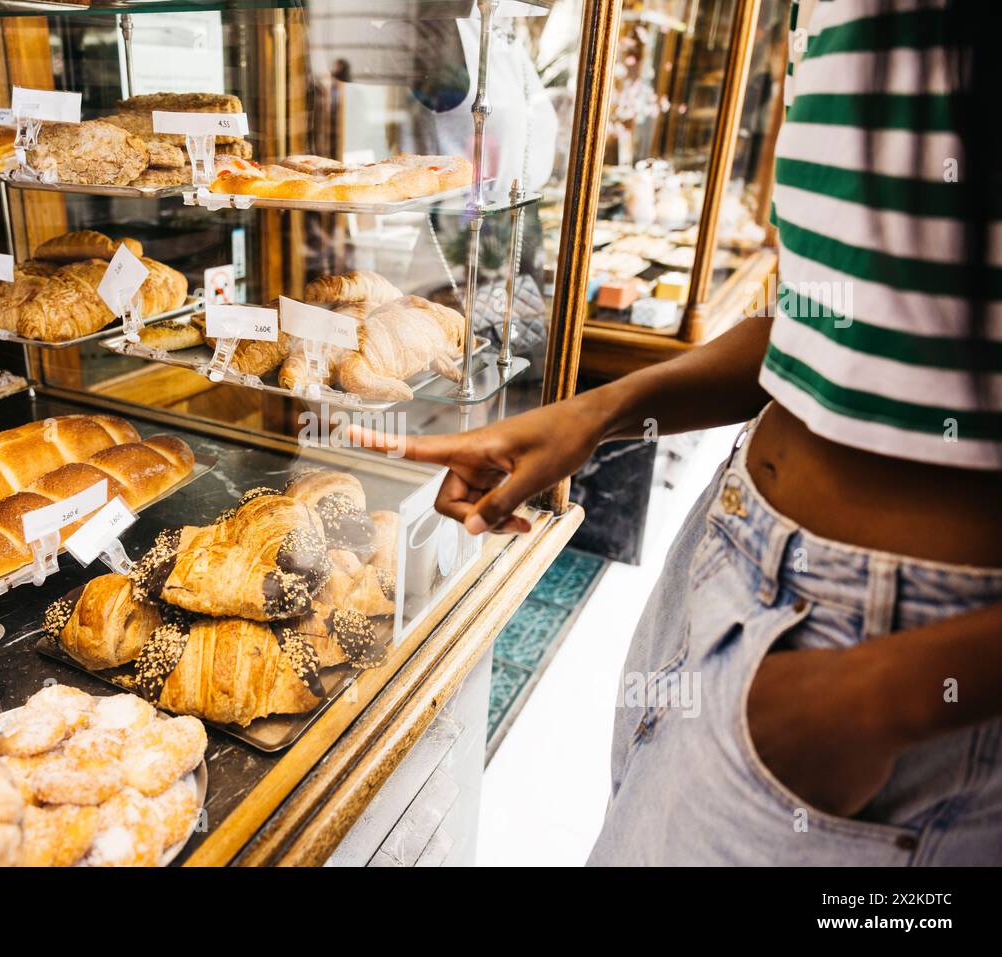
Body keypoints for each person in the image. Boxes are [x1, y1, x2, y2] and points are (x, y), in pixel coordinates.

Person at [351, 0, 1002, 865]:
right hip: (741, 567)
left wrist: (875, 701)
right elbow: (818, 315)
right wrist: (600, 412)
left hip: (887, 662)